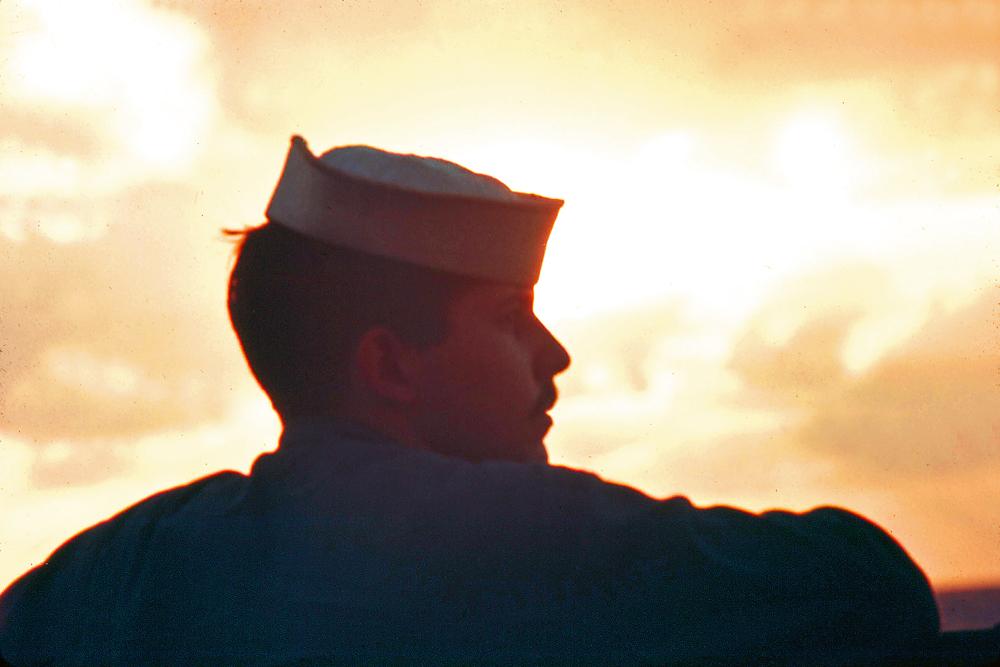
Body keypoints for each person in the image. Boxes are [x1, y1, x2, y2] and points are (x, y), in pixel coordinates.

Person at [0, 136, 946, 665]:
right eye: (509, 319)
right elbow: (872, 588)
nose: (555, 354)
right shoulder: (514, 537)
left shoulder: (122, 570)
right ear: (391, 366)